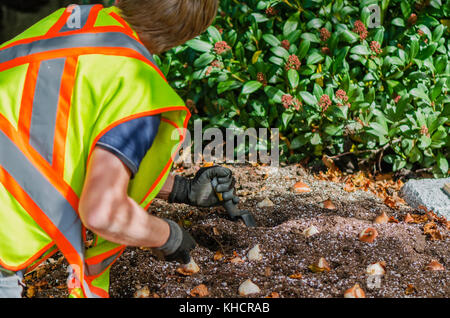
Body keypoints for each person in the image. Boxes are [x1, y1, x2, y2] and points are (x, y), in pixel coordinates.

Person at [0, 0, 239, 298]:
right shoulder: (135, 84)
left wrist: (180, 189)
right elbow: (102, 213)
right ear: (186, 36)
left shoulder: (76, 24)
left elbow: (53, 137)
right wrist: (167, 235)